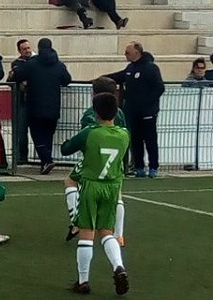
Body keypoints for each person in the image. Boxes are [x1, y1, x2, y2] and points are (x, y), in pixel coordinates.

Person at [60, 92, 129, 296]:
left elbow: (66, 149)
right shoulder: (124, 134)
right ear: (116, 112)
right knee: (107, 232)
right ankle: (119, 267)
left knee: (86, 233)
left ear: (95, 112)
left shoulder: (90, 132)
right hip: (112, 187)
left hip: (91, 185)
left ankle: (83, 281)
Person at [64, 77, 127, 247]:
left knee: (70, 181)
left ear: (93, 93)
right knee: (117, 193)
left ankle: (76, 220)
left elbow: (86, 136)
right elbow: (124, 131)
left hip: (94, 160)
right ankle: (119, 235)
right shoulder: (118, 112)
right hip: (115, 158)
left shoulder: (90, 114)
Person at [11, 38, 72, 175]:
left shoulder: (32, 64)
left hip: (35, 106)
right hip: (53, 106)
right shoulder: (59, 64)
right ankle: (45, 162)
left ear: (38, 49)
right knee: (48, 135)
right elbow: (67, 80)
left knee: (37, 135)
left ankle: (47, 160)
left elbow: (17, 76)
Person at [105, 42, 164, 178]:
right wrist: (101, 79)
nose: (125, 55)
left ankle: (153, 167)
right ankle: (139, 167)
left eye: (127, 52)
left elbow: (159, 88)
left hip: (148, 112)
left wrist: (148, 104)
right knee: (135, 139)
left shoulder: (151, 68)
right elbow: (120, 76)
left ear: (136, 53)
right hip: (132, 111)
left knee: (150, 139)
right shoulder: (130, 68)